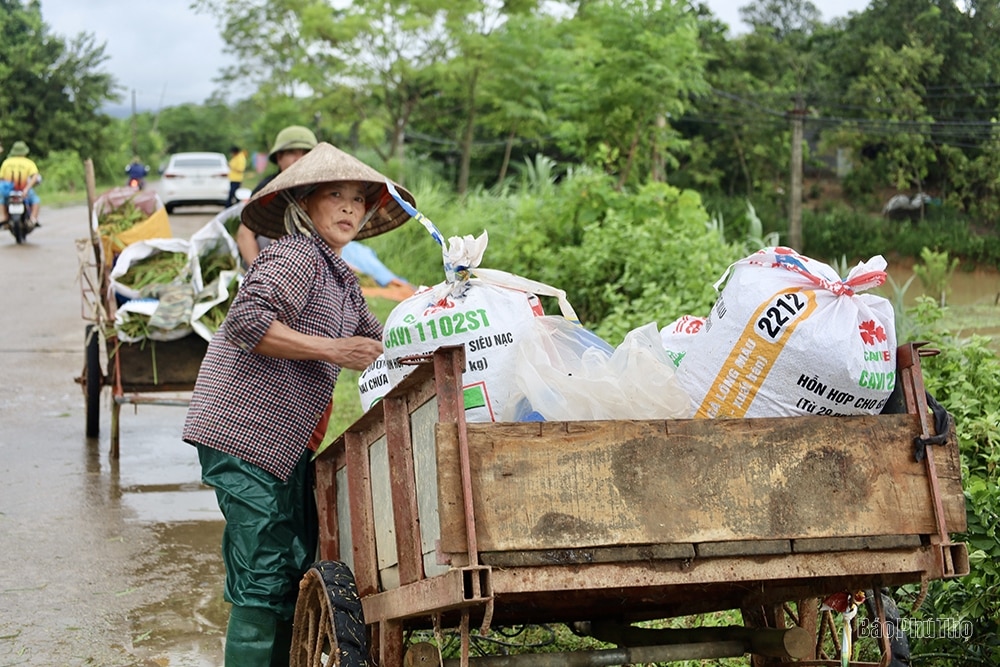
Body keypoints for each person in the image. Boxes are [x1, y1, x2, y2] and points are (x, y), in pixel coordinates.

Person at [182, 142, 416, 666]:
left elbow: (389, 343)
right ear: (305, 204)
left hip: (285, 447)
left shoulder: (342, 281)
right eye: (337, 196)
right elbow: (247, 321)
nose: (351, 208)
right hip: (244, 435)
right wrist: (333, 349)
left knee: (293, 566)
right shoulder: (295, 257)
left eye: (359, 199)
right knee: (264, 573)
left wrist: (451, 321)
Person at [236, 125, 318, 267]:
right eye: (292, 153)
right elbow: (245, 234)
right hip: (272, 262)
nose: (299, 159)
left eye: (306, 153)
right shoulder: (268, 189)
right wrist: (261, 274)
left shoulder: (321, 189)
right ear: (279, 158)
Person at [0, 141, 42, 226]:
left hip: (8, 191)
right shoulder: (28, 163)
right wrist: (27, 188)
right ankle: (33, 219)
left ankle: (3, 216)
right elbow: (35, 176)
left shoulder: (6, 162)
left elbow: (1, 178)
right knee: (35, 200)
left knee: (2, 201)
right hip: (23, 190)